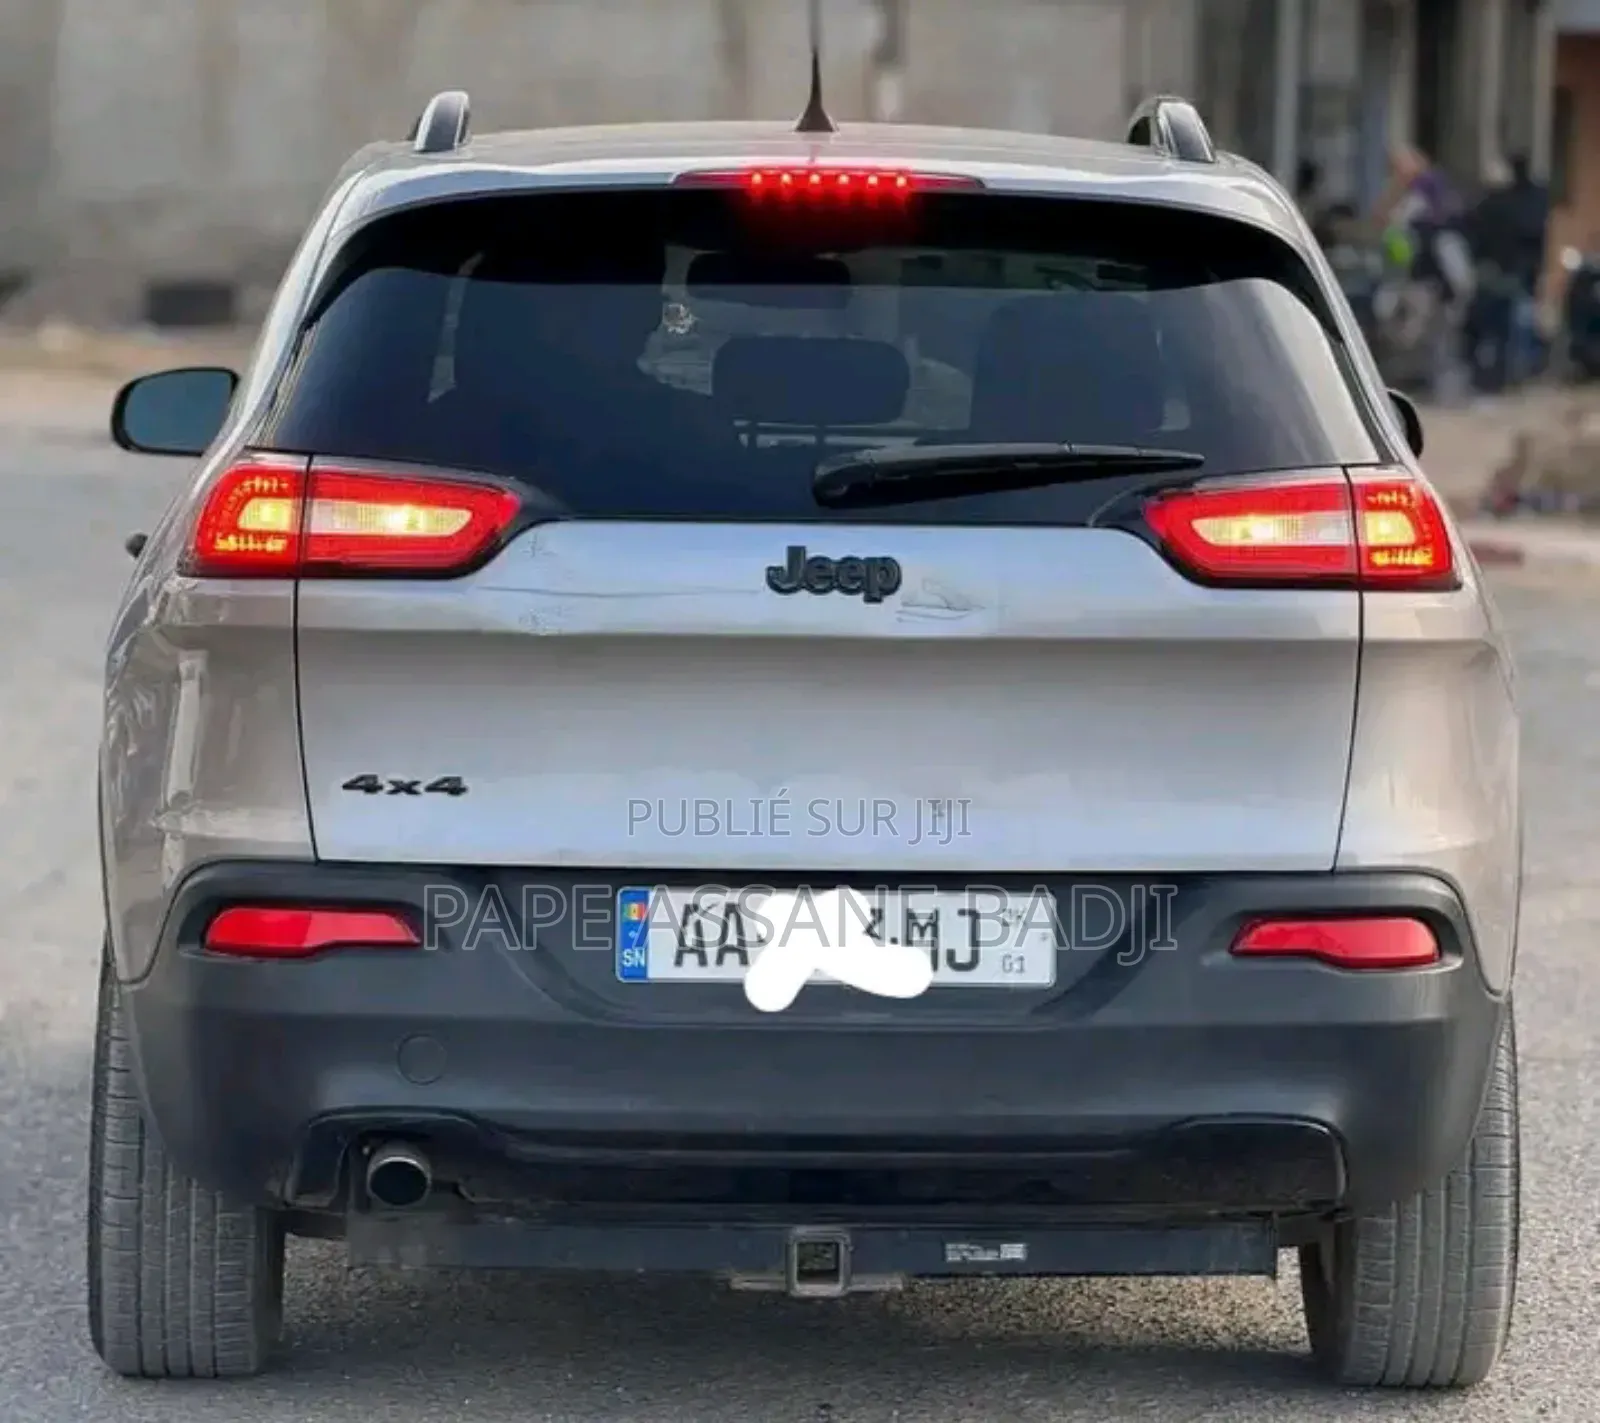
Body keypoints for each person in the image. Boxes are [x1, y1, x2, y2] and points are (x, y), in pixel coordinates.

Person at [1374, 144, 1474, 401]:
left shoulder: (1426, 197)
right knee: (1424, 336)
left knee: (1430, 335)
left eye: (1401, 167)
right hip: (1421, 278)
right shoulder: (1419, 198)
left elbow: (1396, 225)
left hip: (1431, 280)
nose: (1397, 173)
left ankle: (1438, 389)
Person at [1464, 153, 1550, 392]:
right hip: (1510, 274)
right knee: (1504, 331)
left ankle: (1486, 378)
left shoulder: (1486, 205)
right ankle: (1503, 378)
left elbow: (1472, 236)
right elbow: (1534, 238)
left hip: (1493, 273)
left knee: (1485, 329)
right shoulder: (1526, 203)